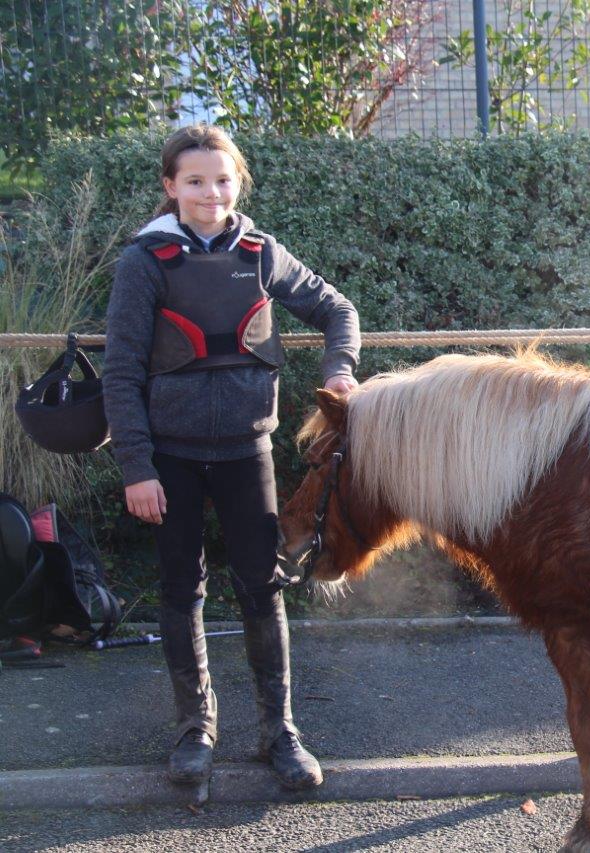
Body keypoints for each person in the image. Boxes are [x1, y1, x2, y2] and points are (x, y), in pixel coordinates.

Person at [103, 124, 360, 791]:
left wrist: (339, 372)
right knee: (181, 592)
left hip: (248, 451)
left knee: (262, 586)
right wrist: (137, 467)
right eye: (194, 181)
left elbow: (338, 310)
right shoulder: (145, 260)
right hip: (170, 457)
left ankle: (280, 730)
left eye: (222, 179)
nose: (210, 192)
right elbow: (122, 372)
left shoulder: (260, 252)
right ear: (171, 187)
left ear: (237, 181)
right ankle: (195, 729)